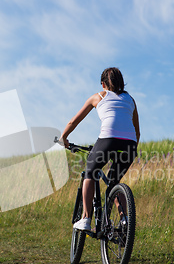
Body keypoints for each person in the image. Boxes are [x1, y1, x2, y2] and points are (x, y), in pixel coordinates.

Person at [60, 67, 140, 231]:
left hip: (108, 140)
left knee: (90, 171)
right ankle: (124, 220)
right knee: (114, 182)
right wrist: (130, 148)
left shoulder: (98, 97)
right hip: (130, 144)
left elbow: (73, 121)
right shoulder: (130, 100)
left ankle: (86, 218)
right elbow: (137, 131)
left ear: (103, 84)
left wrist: (64, 138)